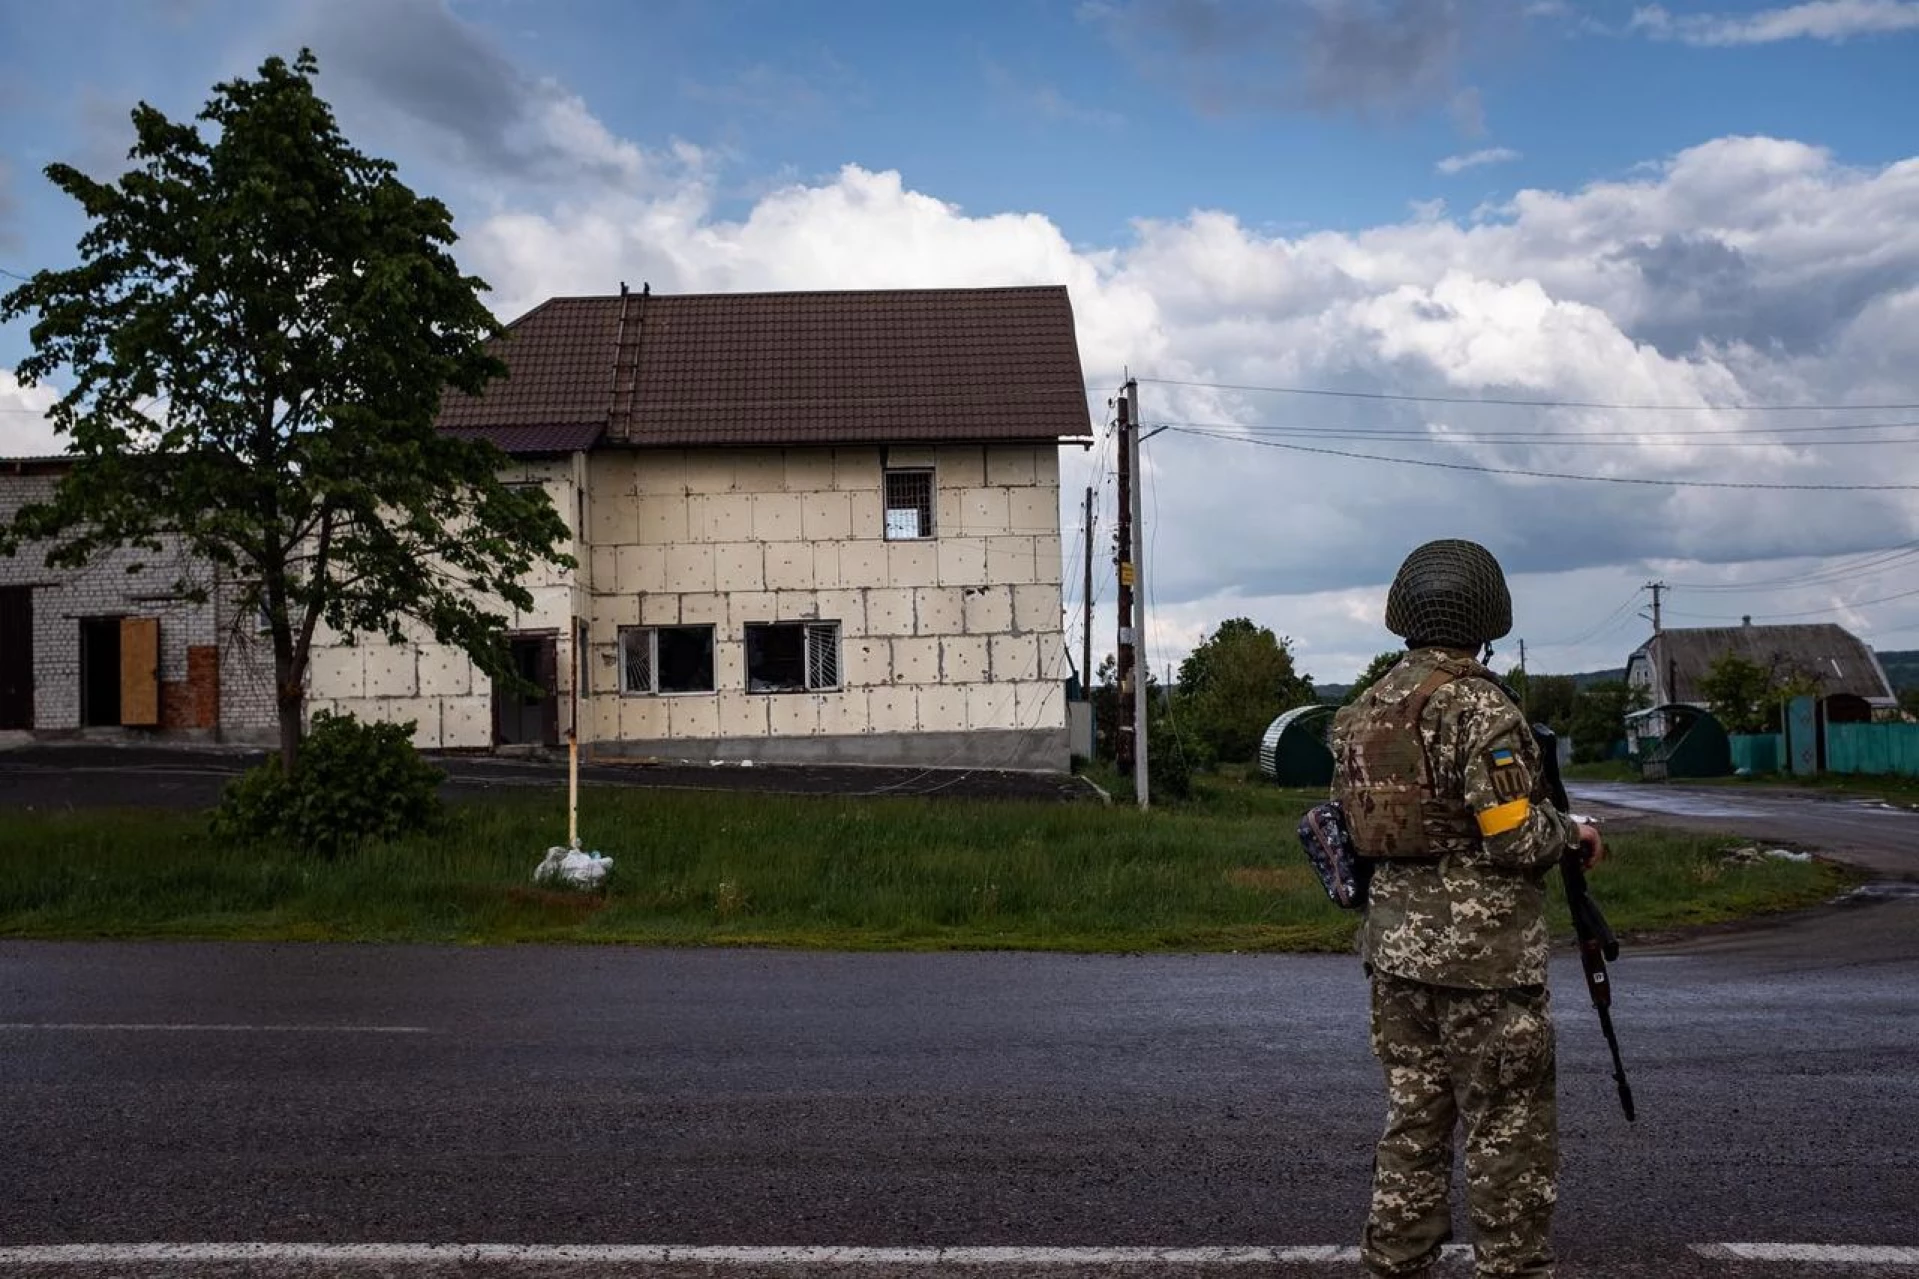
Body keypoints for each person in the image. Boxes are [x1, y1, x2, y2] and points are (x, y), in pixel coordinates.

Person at [1330, 539, 1605, 1279]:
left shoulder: (1363, 711)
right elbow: (1514, 837)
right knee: (1506, 1133)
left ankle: (1394, 1263)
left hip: (1394, 955)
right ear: (1487, 614)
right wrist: (1572, 833)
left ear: (1403, 615)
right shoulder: (1480, 707)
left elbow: (1345, 829)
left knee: (1413, 1123)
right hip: (1483, 962)